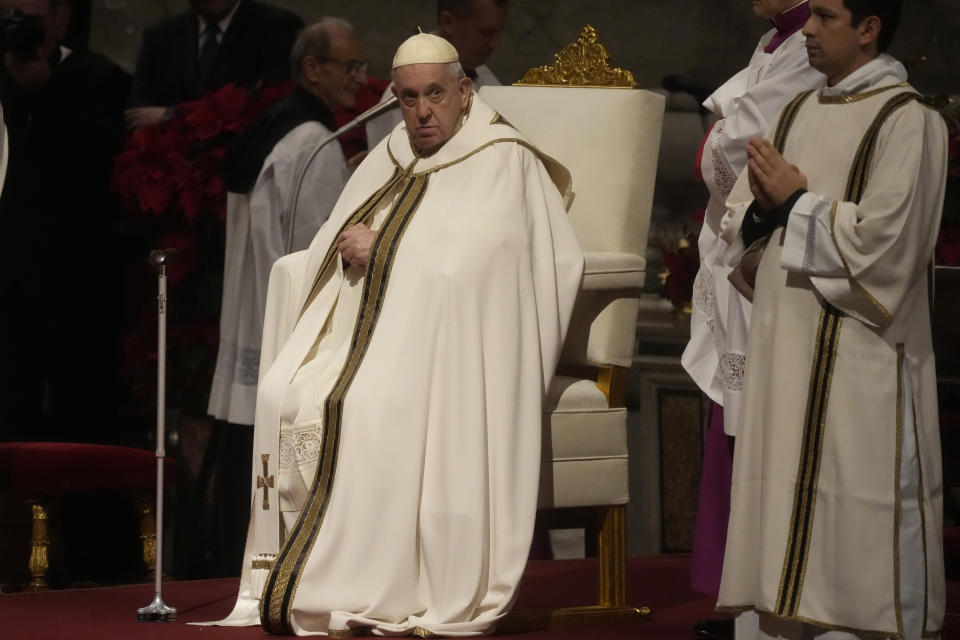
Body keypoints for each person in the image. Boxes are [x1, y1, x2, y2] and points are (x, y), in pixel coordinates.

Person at [200, 32, 582, 635]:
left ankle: (380, 580)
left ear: (463, 91)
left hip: (455, 354)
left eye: (435, 95)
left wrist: (387, 249)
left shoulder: (503, 157)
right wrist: (342, 252)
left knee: (367, 405)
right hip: (377, 338)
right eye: (407, 99)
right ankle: (297, 573)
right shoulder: (395, 153)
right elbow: (336, 235)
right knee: (284, 393)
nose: (422, 112)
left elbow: (494, 267)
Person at [716, 1, 947, 639]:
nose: (808, 30)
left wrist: (796, 202)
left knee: (856, 540)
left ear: (869, 28)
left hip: (861, 361)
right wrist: (769, 211)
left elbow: (889, 250)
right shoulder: (794, 111)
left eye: (825, 16)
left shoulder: (911, 122)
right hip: (786, 352)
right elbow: (739, 223)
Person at [679, 2, 823, 637]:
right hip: (741, 241)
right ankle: (737, 595)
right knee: (735, 422)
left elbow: (741, 148)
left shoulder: (803, 46)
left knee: (761, 421)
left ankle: (760, 596)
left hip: (769, 244)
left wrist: (717, 136)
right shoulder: (776, 38)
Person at [209, 17, 363, 429]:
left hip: (250, 306)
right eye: (350, 67)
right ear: (313, 68)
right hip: (285, 325)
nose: (359, 78)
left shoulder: (280, 123)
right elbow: (318, 245)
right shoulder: (314, 140)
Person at [0, 0, 130, 443]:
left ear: (61, 18)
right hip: (9, 272)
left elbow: (99, 160)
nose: (18, 29)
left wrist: (44, 89)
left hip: (76, 275)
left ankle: (84, 511)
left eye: (29, 19)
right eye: (8, 17)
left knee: (82, 405)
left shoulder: (99, 77)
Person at [125, 0, 303, 130]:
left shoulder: (276, 27)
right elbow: (138, 116)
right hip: (169, 168)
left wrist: (172, 115)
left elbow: (268, 109)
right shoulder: (159, 36)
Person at [365, 0, 509, 148]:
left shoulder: (485, 75)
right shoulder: (407, 89)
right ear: (448, 22)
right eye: (486, 32)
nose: (495, 44)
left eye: (500, 32)